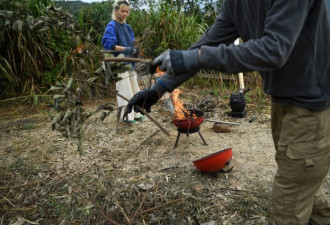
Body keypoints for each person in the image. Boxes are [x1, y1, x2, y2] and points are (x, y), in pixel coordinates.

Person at [125, 0, 330, 224]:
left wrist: (196, 57)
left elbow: (274, 49)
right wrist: (158, 89)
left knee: (289, 202)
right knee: (302, 180)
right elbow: (203, 46)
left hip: (313, 105)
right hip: (283, 101)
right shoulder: (236, 4)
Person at [102, 0, 145, 124]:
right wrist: (126, 49)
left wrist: (134, 50)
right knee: (124, 90)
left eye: (127, 11)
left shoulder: (127, 27)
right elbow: (109, 45)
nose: (125, 14)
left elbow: (132, 43)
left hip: (129, 63)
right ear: (116, 11)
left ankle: (137, 113)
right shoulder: (112, 25)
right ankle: (126, 117)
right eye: (122, 11)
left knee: (135, 89)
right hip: (118, 63)